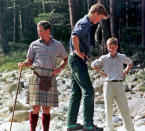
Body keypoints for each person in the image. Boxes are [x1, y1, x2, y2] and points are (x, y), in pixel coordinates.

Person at [18, 20, 68, 131]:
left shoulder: (57, 45)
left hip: (50, 77)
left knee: (46, 108)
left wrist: (60, 69)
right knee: (35, 107)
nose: (38, 33)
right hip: (36, 76)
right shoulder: (34, 44)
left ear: (48, 31)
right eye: (38, 31)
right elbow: (29, 61)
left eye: (40, 30)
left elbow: (65, 58)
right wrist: (23, 64)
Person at [67, 3, 109, 131]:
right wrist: (79, 52)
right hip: (77, 60)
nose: (99, 21)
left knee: (76, 92)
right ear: (96, 13)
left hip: (74, 59)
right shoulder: (85, 23)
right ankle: (88, 125)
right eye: (100, 18)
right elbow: (75, 36)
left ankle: (71, 124)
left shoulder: (85, 22)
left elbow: (75, 36)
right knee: (89, 91)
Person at [91, 37, 135, 131]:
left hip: (119, 85)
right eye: (109, 47)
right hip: (108, 85)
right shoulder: (104, 58)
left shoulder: (121, 56)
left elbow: (130, 63)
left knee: (124, 109)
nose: (111, 49)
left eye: (113, 47)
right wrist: (101, 72)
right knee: (108, 110)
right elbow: (93, 65)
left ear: (117, 47)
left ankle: (130, 129)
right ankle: (110, 129)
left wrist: (125, 71)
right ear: (107, 47)